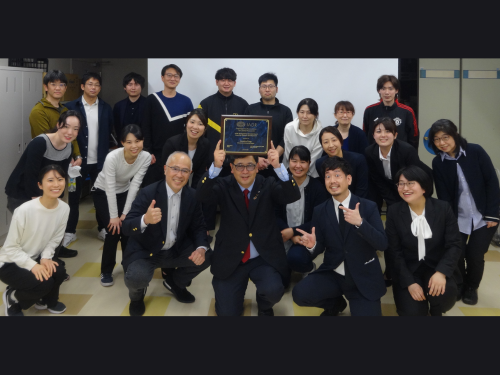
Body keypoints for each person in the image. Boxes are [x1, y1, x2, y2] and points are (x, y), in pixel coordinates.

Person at [196, 140, 300, 316]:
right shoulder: (223, 185)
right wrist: (215, 167)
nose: (245, 171)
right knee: (227, 313)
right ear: (232, 168)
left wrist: (277, 166)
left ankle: (264, 305)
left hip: (263, 256)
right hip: (231, 258)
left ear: (258, 167)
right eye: (240, 166)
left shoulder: (267, 184)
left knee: (274, 291)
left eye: (250, 166)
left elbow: (292, 195)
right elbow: (201, 194)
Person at [292, 157, 388, 316]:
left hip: (362, 275)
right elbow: (320, 246)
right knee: (300, 295)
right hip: (333, 272)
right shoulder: (320, 210)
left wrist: (360, 224)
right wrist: (312, 246)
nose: (332, 181)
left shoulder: (368, 206)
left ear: (348, 179)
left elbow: (382, 244)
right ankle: (336, 304)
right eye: (328, 176)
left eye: (337, 175)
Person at [122, 152, 211, 316]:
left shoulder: (192, 196)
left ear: (190, 174)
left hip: (175, 249)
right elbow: (126, 227)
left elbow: (199, 227)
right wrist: (145, 219)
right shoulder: (148, 193)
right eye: (175, 169)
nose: (179, 175)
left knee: (207, 256)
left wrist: (200, 249)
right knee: (136, 278)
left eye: (185, 171)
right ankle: (136, 297)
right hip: (147, 250)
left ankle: (175, 283)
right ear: (165, 169)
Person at [430, 119, 499, 305]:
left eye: (446, 137)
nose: (442, 143)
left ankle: (472, 287)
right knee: (456, 252)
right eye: (437, 139)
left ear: (455, 135)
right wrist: (447, 221)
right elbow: (443, 195)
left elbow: (492, 182)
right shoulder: (438, 162)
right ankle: (459, 284)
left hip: (483, 216)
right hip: (457, 217)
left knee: (475, 255)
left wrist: (493, 214)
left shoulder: (475, 151)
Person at [385, 165, 462, 316]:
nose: (405, 188)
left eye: (410, 183)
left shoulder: (443, 208)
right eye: (401, 183)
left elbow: (454, 245)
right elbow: (394, 251)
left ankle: (436, 310)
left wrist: (441, 272)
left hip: (435, 266)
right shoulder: (394, 211)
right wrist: (409, 282)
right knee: (412, 312)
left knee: (444, 295)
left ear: (424, 187)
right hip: (408, 270)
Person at [5, 111, 82, 258]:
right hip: (22, 191)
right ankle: (32, 265)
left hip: (45, 190)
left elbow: (62, 175)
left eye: (75, 129)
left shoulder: (69, 147)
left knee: (52, 224)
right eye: (66, 126)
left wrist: (57, 197)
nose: (70, 132)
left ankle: (54, 253)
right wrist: (39, 201)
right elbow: (30, 174)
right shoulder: (40, 143)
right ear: (58, 125)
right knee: (33, 233)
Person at [365, 117, 432, 285]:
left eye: (388, 131)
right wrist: (394, 203)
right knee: (391, 231)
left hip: (412, 188)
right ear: (373, 135)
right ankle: (390, 271)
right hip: (389, 190)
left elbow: (415, 178)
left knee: (411, 231)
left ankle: (418, 269)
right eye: (378, 131)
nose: (383, 135)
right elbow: (378, 180)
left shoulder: (406, 150)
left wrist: (405, 199)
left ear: (395, 134)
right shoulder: (370, 152)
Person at [1, 165, 71, 316]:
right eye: (50, 180)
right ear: (40, 185)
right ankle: (13, 298)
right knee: (44, 283)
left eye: (60, 179)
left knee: (58, 271)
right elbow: (10, 248)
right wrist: (33, 266)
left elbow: (55, 239)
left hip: (36, 256)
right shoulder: (25, 210)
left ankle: (47, 301)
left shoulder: (64, 208)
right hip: (10, 263)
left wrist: (45, 257)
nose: (56, 184)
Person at [92, 125, 151, 287]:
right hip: (102, 192)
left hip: (124, 191)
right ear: (122, 143)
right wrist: (114, 216)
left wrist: (125, 213)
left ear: (142, 141)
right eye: (129, 142)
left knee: (128, 229)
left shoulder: (145, 157)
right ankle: (106, 270)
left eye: (138, 141)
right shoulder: (112, 157)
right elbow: (110, 187)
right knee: (113, 230)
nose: (134, 146)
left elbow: (135, 184)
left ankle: (128, 265)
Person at [160, 108, 211, 280]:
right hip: (169, 187)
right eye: (192, 122)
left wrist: (192, 196)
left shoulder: (205, 145)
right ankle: (166, 266)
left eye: (200, 123)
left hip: (189, 187)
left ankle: (184, 256)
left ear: (205, 128)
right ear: (186, 123)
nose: (195, 127)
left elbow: (199, 175)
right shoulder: (172, 143)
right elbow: (165, 173)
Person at [65, 72, 114, 244]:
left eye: (97, 85)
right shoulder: (71, 106)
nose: (93, 88)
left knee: (102, 196)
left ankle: (103, 228)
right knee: (73, 196)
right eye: (90, 84)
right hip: (77, 162)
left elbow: (110, 134)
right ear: (82, 86)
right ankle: (70, 231)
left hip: (100, 162)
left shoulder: (106, 108)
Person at [275, 146, 329, 275]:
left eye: (303, 162)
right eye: (294, 161)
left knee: (296, 258)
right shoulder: (278, 185)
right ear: (288, 162)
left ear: (309, 164)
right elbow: (273, 214)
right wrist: (289, 234)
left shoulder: (317, 188)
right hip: (282, 236)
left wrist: (293, 232)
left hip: (307, 237)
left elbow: (318, 220)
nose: (298, 166)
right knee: (281, 281)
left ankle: (309, 267)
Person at [141, 64, 194, 187]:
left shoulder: (186, 101)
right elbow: (145, 126)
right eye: (169, 75)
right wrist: (148, 151)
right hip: (156, 154)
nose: (172, 78)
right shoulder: (152, 100)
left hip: (179, 153)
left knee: (178, 185)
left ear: (179, 79)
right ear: (162, 77)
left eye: (176, 76)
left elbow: (190, 129)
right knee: (155, 188)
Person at [198, 67, 249, 176]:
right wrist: (204, 160)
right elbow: (199, 135)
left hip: (237, 163)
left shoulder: (243, 104)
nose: (226, 83)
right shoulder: (205, 104)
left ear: (234, 83)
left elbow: (248, 135)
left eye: (230, 80)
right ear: (217, 82)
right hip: (212, 161)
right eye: (223, 80)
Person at [244, 72, 293, 177]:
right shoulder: (250, 109)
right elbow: (245, 137)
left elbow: (287, 138)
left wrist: (274, 157)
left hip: (277, 165)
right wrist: (256, 158)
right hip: (253, 165)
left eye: (271, 86)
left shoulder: (285, 111)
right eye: (264, 86)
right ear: (259, 89)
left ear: (277, 89)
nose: (267, 89)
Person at [29, 70, 81, 164]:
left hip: (63, 160)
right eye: (53, 84)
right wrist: (67, 157)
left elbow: (72, 136)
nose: (58, 88)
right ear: (46, 87)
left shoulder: (65, 110)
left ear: (65, 88)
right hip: (45, 161)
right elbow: (46, 140)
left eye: (61, 85)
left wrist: (77, 156)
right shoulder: (39, 111)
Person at [362, 74, 419, 149]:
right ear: (379, 90)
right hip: (375, 156)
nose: (387, 92)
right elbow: (365, 134)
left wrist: (410, 156)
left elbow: (414, 137)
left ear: (396, 90)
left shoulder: (407, 111)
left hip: (400, 156)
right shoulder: (370, 110)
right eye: (383, 88)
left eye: (390, 89)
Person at [315, 126, 369, 198]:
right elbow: (326, 189)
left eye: (334, 140)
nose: (331, 145)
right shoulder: (320, 163)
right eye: (326, 142)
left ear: (341, 141)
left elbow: (362, 189)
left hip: (357, 202)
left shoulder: (358, 160)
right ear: (322, 146)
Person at [283, 98, 323, 177]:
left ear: (316, 115)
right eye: (302, 112)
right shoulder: (289, 128)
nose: (305, 116)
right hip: (290, 171)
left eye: (309, 113)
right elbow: (288, 153)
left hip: (311, 174)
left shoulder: (320, 132)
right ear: (297, 113)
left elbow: (314, 159)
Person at [113, 72, 147, 139]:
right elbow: (117, 127)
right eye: (130, 84)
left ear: (142, 87)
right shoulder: (119, 106)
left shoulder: (148, 103)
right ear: (125, 87)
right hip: (124, 144)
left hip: (144, 144)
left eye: (136, 84)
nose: (133, 88)